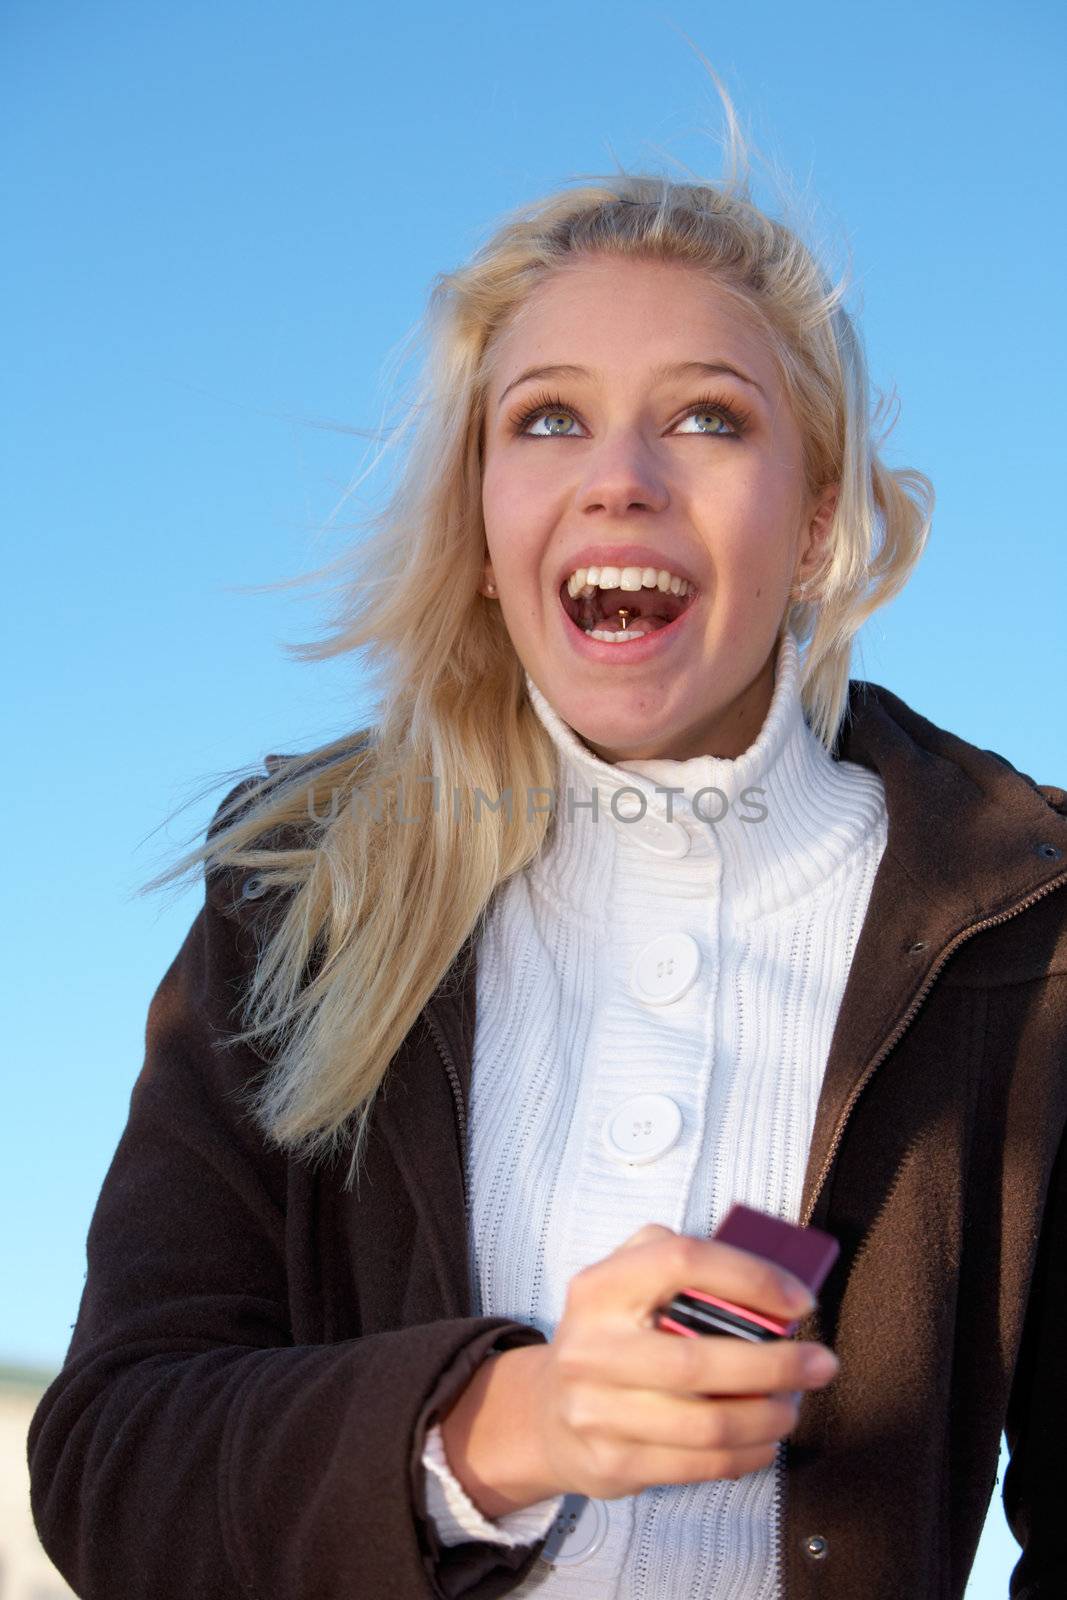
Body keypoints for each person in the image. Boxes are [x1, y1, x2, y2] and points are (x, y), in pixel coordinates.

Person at [27, 73, 1067, 1600]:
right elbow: (111, 1467)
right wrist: (500, 1425)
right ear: (485, 510)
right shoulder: (298, 895)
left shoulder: (1021, 923)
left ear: (817, 510)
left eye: (710, 417)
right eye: (548, 418)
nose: (619, 478)